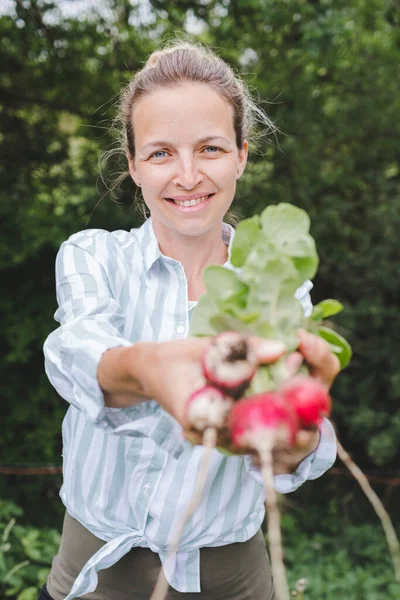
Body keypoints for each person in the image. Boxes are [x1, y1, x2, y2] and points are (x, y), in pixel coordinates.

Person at [40, 40, 339, 600]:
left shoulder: (276, 281)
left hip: (232, 576)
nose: (188, 175)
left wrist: (292, 440)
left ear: (242, 155)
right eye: (160, 154)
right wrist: (151, 368)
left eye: (210, 148)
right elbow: (75, 350)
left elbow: (297, 439)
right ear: (132, 166)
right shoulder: (92, 255)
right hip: (95, 568)